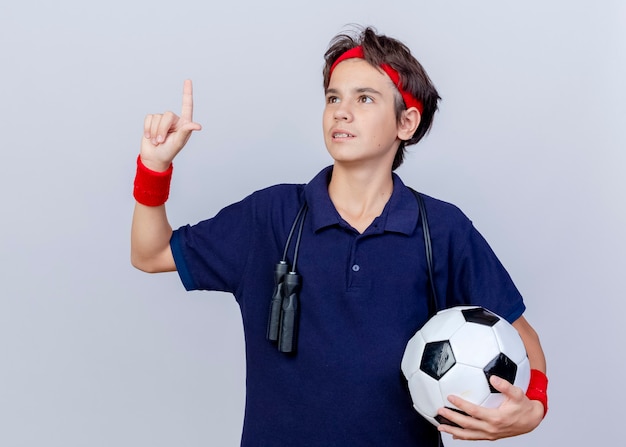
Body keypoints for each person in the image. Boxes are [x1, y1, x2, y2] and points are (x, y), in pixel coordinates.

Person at [131, 26, 548, 446]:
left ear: (407, 121)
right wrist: (154, 169)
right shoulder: (270, 216)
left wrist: (532, 407)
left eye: (364, 98)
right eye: (334, 97)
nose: (341, 111)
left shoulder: (441, 229)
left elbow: (522, 338)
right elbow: (150, 254)